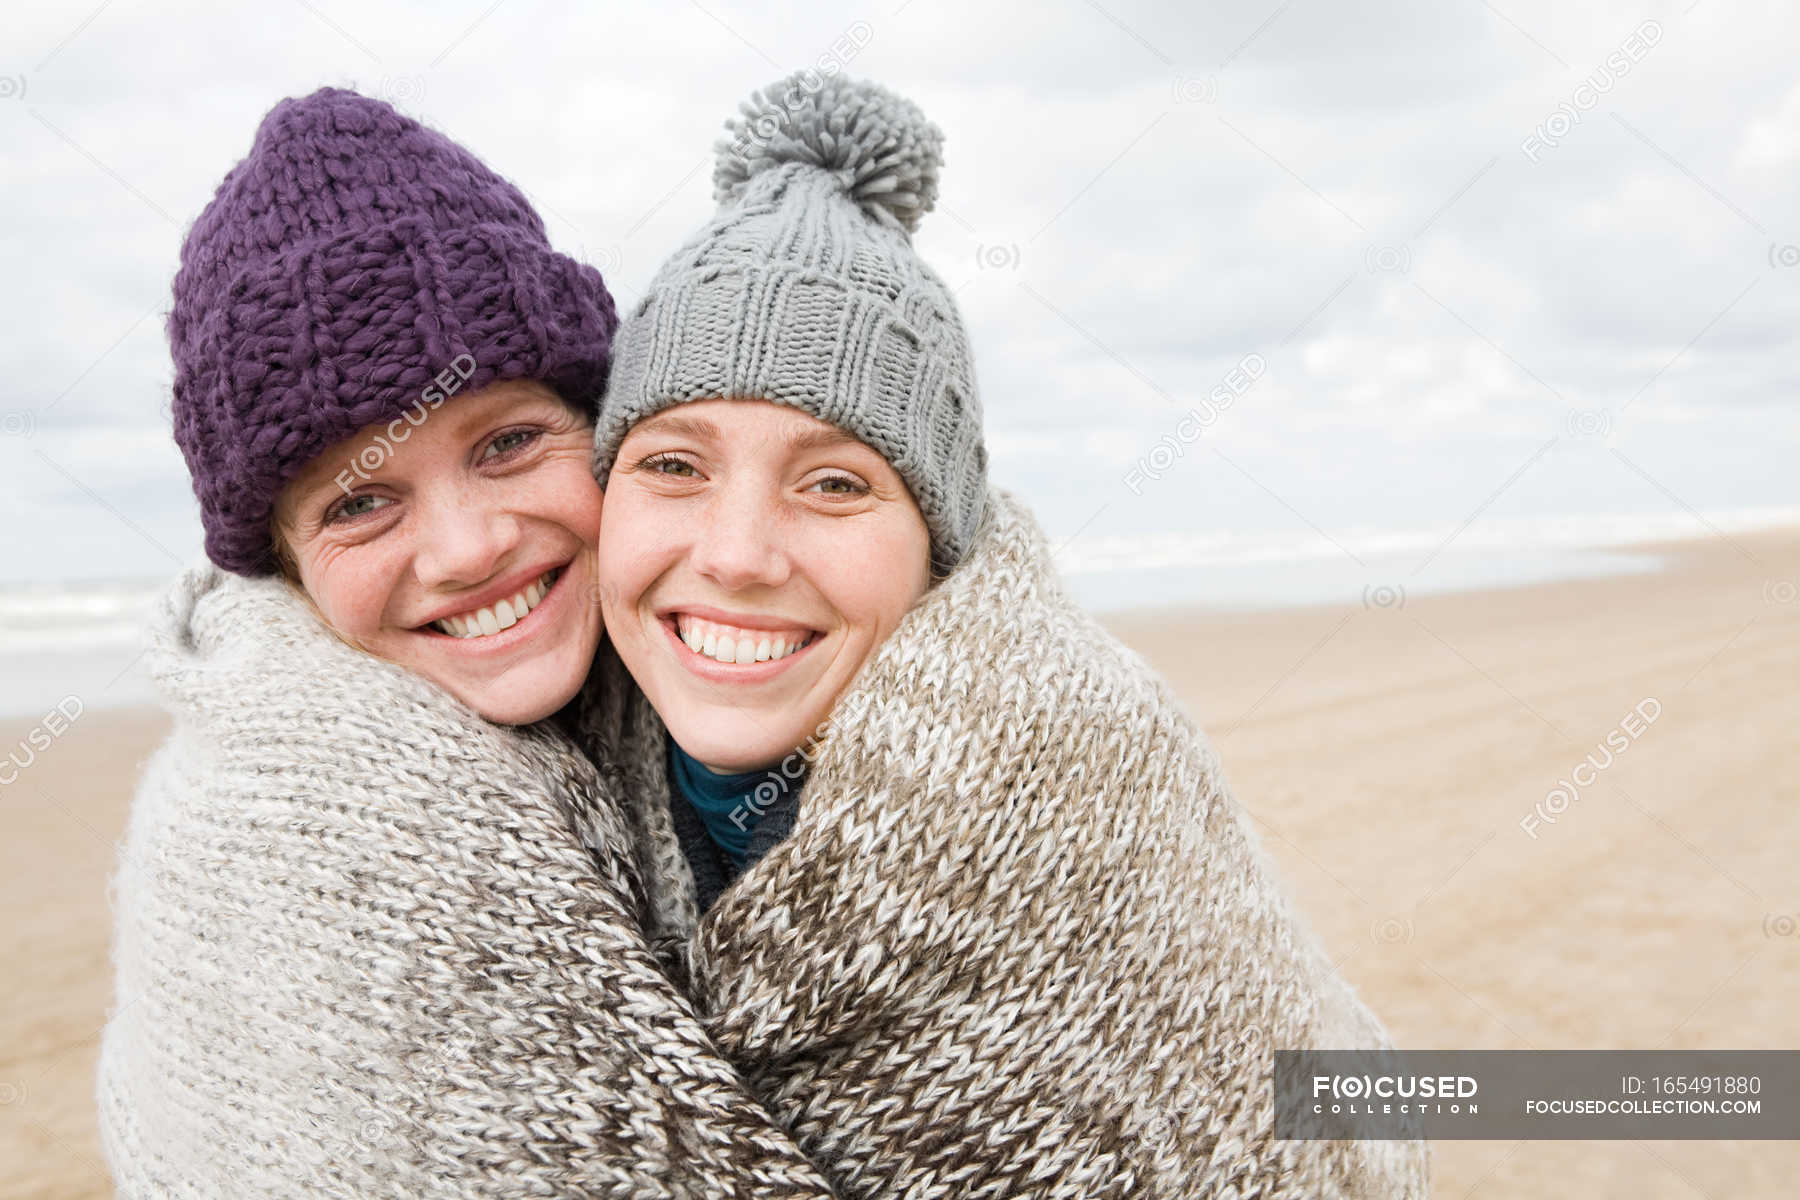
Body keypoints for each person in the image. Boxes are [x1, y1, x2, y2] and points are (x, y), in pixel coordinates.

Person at [576, 72, 1432, 1196]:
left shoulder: (1076, 759)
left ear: (940, 541)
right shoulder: (564, 759)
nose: (737, 554)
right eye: (673, 466)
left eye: (835, 483)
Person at [95, 86, 843, 1197]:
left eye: (506, 443)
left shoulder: (736, 681)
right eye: (358, 503)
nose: (463, 549)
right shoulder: (293, 840)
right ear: (285, 566)